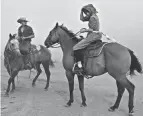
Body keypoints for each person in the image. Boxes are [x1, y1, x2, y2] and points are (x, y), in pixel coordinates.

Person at [72, 4, 102, 72]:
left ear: (90, 11)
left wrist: (84, 30)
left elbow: (91, 29)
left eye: (87, 12)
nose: (86, 14)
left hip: (93, 35)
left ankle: (79, 65)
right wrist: (81, 11)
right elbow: (82, 19)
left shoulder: (92, 18)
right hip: (95, 34)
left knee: (76, 47)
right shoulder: (94, 16)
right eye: (85, 12)